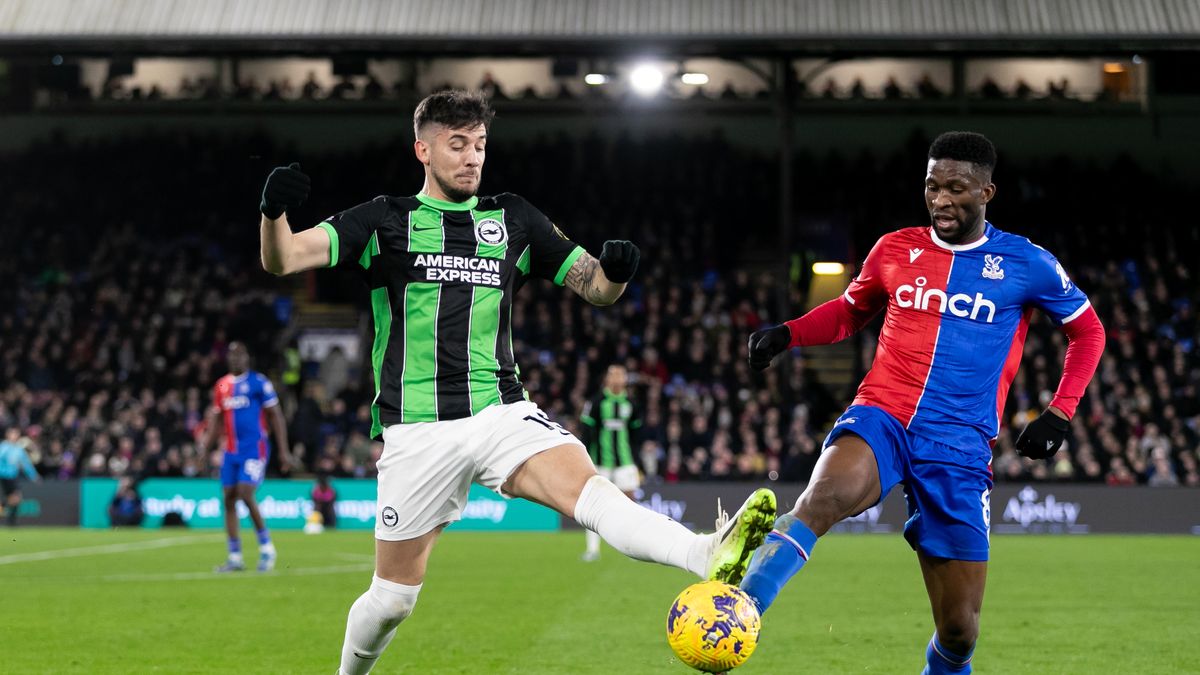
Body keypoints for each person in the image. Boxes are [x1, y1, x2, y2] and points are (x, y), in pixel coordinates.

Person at [255, 89, 776, 675]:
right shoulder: (385, 218)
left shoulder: (514, 219)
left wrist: (617, 273)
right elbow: (284, 259)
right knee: (393, 600)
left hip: (501, 411)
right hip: (418, 429)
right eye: (457, 146)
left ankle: (705, 551)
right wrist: (274, 214)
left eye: (479, 145)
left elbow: (593, 286)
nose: (472, 157)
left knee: (594, 494)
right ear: (422, 149)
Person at [740, 131, 1106, 674]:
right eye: (932, 186)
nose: (940, 199)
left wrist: (1059, 412)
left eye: (955, 188)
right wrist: (789, 334)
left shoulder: (1026, 263)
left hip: (959, 443)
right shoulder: (894, 249)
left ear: (987, 193)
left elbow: (1089, 333)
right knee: (823, 497)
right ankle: (737, 610)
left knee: (959, 633)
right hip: (883, 414)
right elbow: (848, 311)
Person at [201, 341, 293, 573]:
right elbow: (216, 423)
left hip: (255, 449)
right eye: (231, 355)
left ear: (247, 358)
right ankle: (235, 557)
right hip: (231, 452)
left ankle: (267, 548)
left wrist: (283, 450)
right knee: (229, 499)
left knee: (245, 493)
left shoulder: (259, 383)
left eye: (239, 355)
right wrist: (204, 450)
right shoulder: (221, 386)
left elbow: (276, 416)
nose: (235, 359)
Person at [579, 364, 643, 562]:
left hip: (625, 462)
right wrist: (587, 459)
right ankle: (592, 549)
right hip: (601, 462)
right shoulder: (597, 402)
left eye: (620, 375)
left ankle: (634, 550)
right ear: (607, 379)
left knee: (631, 504)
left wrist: (637, 462)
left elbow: (636, 435)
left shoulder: (631, 403)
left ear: (625, 379)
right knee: (594, 505)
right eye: (613, 375)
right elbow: (587, 431)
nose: (617, 379)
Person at [0, 428, 39, 527]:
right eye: (12, 434)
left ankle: (11, 521)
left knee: (15, 498)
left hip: (13, 476)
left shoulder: (19, 449)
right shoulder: (4, 447)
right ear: (7, 435)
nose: (15, 436)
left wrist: (34, 476)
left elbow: (26, 464)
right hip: (3, 475)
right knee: (15, 497)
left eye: (16, 434)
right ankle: (11, 521)